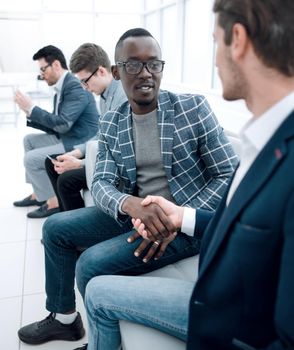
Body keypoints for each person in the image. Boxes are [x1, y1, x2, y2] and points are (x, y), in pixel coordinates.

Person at [80, 1, 294, 349]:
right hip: (200, 269)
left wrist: (171, 225)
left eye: (214, 42)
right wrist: (182, 217)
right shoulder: (264, 139)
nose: (213, 60)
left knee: (96, 285)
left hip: (228, 321)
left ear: (236, 40)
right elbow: (238, 227)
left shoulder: (274, 152)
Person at [17, 28, 238, 345]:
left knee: (90, 265)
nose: (146, 73)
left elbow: (227, 175)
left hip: (186, 222)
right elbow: (102, 182)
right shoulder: (111, 121)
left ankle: (102, 341)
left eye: (154, 64)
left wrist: (177, 217)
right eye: (134, 65)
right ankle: (65, 319)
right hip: (133, 212)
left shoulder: (193, 109)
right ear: (118, 72)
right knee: (55, 228)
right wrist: (129, 205)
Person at [13, 45, 98, 218]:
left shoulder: (74, 86)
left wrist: (32, 108)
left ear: (57, 65)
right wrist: (30, 113)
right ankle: (39, 194)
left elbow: (63, 124)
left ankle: (53, 202)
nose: (42, 75)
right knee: (29, 140)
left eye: (43, 69)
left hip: (79, 140)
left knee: (31, 159)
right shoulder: (61, 87)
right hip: (67, 136)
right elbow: (57, 124)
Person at [45, 43, 126, 211]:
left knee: (66, 181)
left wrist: (80, 163)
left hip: (117, 165)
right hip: (101, 155)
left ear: (101, 71)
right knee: (52, 162)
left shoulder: (122, 99)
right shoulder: (104, 96)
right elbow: (102, 134)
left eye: (85, 81)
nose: (84, 88)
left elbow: (119, 153)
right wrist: (77, 152)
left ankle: (73, 227)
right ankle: (64, 217)